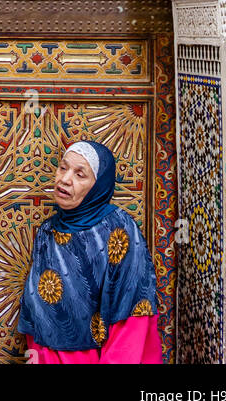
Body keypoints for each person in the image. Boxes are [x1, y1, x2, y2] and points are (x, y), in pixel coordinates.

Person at [18, 139, 162, 364]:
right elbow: (39, 313)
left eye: (80, 174)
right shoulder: (47, 232)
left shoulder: (119, 229)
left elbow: (132, 308)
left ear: (98, 185)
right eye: (63, 168)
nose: (64, 179)